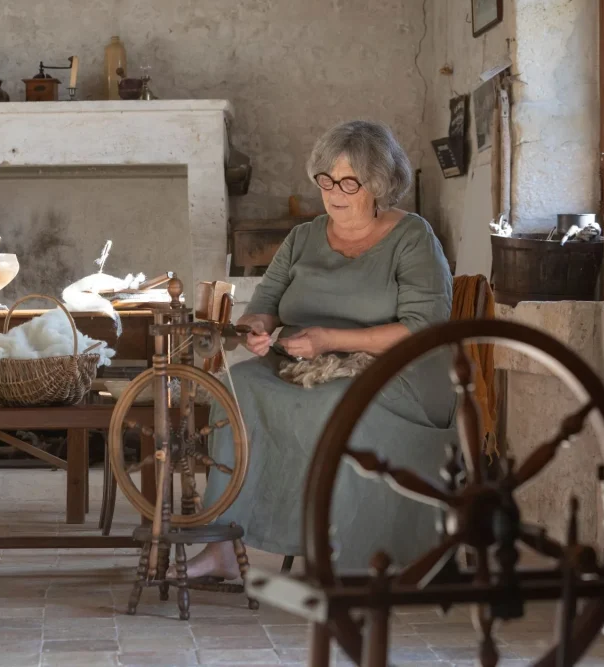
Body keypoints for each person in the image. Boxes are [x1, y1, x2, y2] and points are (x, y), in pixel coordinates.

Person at [187, 120, 459, 579]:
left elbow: (421, 327)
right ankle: (224, 545)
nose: (334, 191)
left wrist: (329, 340)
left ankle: (344, 550)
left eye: (349, 181)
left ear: (378, 185)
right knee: (234, 388)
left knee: (336, 402)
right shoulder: (304, 237)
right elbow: (265, 307)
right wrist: (254, 328)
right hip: (303, 362)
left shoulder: (412, 238)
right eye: (326, 180)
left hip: (396, 371)